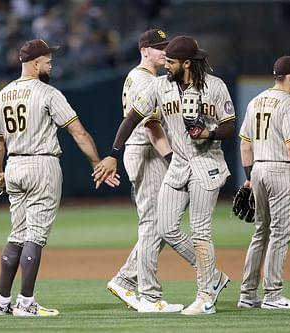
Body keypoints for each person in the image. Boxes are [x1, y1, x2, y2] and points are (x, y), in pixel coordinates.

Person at [93, 35, 235, 315]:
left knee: (200, 232)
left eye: (171, 61)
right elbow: (132, 118)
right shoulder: (158, 85)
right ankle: (211, 276)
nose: (166, 64)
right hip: (178, 165)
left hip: (207, 164)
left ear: (186, 63)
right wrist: (112, 153)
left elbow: (230, 125)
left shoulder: (215, 86)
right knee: (165, 227)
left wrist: (210, 132)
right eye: (164, 58)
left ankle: (206, 295)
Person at [0, 38, 119, 317]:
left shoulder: (1, 96)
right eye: (48, 61)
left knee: (17, 235)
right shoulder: (48, 93)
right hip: (41, 165)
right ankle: (25, 303)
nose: (51, 64)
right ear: (35, 64)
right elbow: (79, 133)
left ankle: (0, 302)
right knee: (34, 236)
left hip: (13, 166)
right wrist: (98, 163)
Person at [106, 28, 184, 313]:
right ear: (145, 51)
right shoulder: (143, 80)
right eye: (159, 47)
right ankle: (149, 295)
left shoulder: (144, 77)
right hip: (147, 153)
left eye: (166, 46)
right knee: (154, 224)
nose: (165, 51)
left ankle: (125, 278)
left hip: (144, 153)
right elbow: (151, 127)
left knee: (160, 224)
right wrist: (173, 159)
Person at [238, 55, 290, 310]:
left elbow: (245, 145)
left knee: (261, 232)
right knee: (280, 234)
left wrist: (249, 176)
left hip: (258, 168)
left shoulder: (255, 100)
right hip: (281, 170)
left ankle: (247, 295)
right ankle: (273, 295)